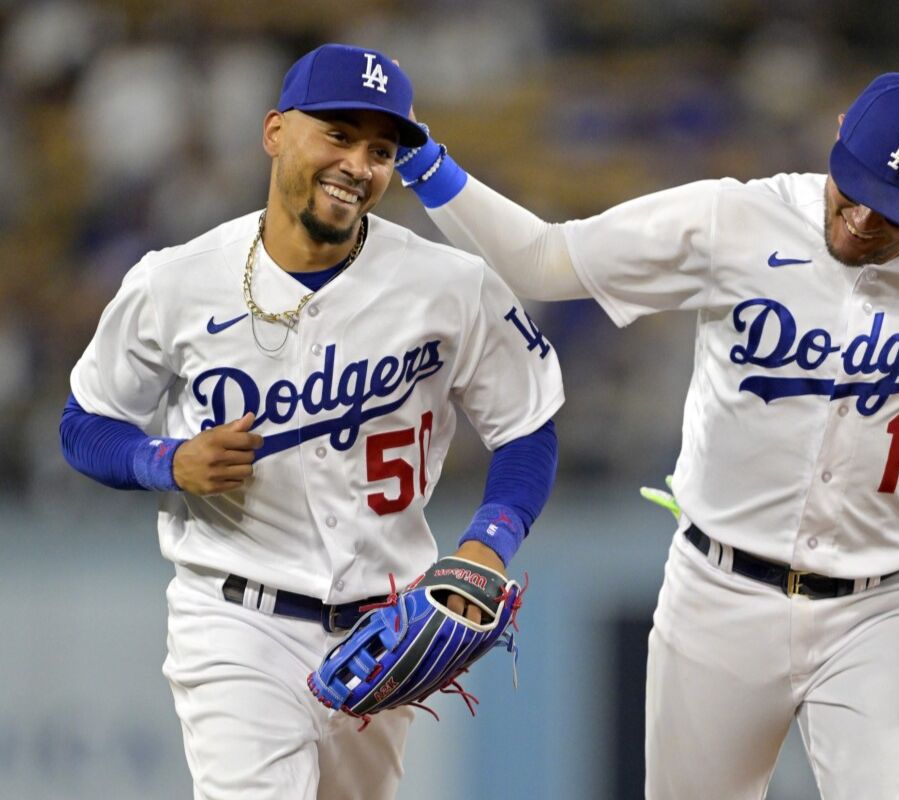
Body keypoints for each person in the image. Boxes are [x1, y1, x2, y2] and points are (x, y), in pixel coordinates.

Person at [395, 72, 899, 799]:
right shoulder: (734, 221)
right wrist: (426, 162)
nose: (864, 220)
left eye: (896, 212)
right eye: (856, 188)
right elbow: (546, 260)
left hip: (886, 607)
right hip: (721, 592)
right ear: (838, 134)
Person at [60, 44, 563, 800]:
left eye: (381, 149)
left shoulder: (449, 283)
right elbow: (85, 421)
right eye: (338, 134)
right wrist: (165, 462)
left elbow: (529, 421)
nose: (358, 163)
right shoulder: (177, 279)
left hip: (384, 631)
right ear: (274, 133)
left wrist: (491, 543)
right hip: (234, 618)